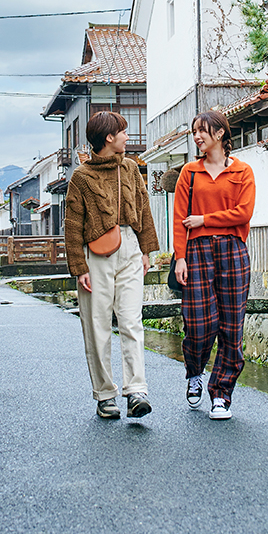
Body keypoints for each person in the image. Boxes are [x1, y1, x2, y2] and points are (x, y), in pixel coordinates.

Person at [64, 111, 159, 419]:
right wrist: (79, 266)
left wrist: (146, 250)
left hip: (130, 247)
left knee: (132, 321)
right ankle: (105, 394)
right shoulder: (81, 176)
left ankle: (136, 391)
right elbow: (72, 224)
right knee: (98, 327)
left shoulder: (131, 168)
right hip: (97, 255)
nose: (127, 137)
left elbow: (143, 208)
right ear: (109, 138)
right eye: (123, 132)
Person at [173, 110, 255, 420]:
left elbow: (243, 213)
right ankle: (195, 370)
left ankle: (221, 394)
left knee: (232, 327)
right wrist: (180, 257)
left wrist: (205, 219)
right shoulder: (189, 173)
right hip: (196, 251)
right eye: (195, 132)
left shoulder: (243, 172)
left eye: (202, 131)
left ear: (219, 134)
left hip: (233, 250)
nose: (197, 137)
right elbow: (181, 220)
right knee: (198, 322)